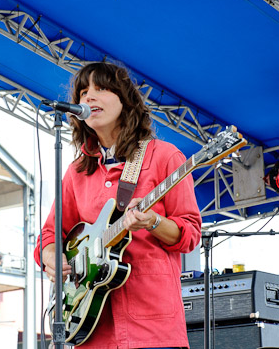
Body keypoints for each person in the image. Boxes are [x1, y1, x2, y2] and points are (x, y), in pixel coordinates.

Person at [34, 62, 202, 349]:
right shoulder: (76, 172)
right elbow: (49, 236)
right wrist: (52, 258)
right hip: (91, 330)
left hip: (152, 328)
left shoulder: (164, 157)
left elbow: (190, 234)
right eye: (83, 92)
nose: (88, 97)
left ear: (126, 100)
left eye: (101, 88)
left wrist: (152, 222)